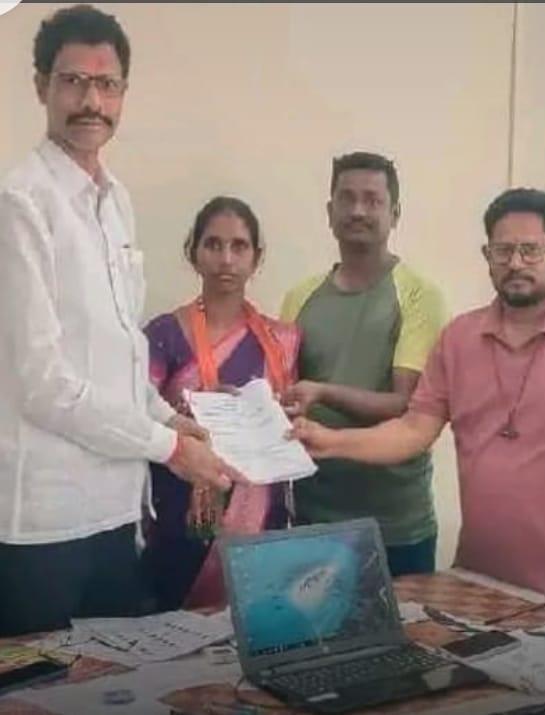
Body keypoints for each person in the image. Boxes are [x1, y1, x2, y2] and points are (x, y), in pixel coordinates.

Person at [0, 5, 241, 636]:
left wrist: (170, 418)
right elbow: (44, 385)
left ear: (123, 94)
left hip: (117, 512)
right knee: (42, 686)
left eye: (107, 85)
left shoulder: (116, 201)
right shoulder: (20, 204)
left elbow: (120, 353)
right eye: (73, 81)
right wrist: (170, 449)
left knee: (115, 680)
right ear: (41, 86)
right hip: (45, 525)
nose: (92, 102)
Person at [292, 188, 545, 613]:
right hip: (477, 585)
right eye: (503, 251)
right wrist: (331, 441)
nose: (516, 263)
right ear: (487, 255)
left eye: (531, 250)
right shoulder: (459, 339)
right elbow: (413, 430)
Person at [279, 152, 446, 577]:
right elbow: (284, 394)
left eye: (372, 200)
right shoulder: (300, 297)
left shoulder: (419, 295)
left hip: (395, 525)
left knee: (407, 624)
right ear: (329, 211)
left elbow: (405, 405)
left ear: (395, 213)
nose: (358, 210)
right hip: (312, 516)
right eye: (347, 198)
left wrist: (322, 391)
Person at [142, 197, 301, 611]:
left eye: (239, 246)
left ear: (256, 257)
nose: (226, 259)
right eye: (213, 244)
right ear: (193, 251)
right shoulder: (164, 334)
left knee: (256, 628)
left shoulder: (282, 341)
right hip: (180, 515)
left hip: (260, 517)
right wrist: (193, 415)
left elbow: (293, 419)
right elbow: (138, 411)